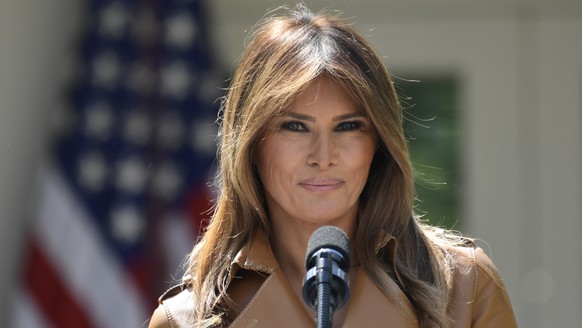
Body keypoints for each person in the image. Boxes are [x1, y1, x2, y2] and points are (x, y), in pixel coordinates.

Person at [149, 4, 517, 328]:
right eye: (294, 126)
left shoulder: (466, 287)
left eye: (348, 127)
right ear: (251, 145)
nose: (323, 156)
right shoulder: (185, 320)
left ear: (379, 144)